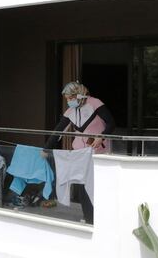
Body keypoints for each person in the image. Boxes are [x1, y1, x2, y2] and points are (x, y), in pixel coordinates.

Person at [45, 82, 116, 223]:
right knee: (83, 185)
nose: (68, 101)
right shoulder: (70, 111)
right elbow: (58, 130)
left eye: (70, 98)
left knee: (97, 185)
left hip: (98, 151)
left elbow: (111, 123)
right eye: (67, 99)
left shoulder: (95, 103)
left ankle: (102, 218)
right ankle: (88, 217)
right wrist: (46, 148)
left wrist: (101, 136)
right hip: (80, 152)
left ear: (79, 95)